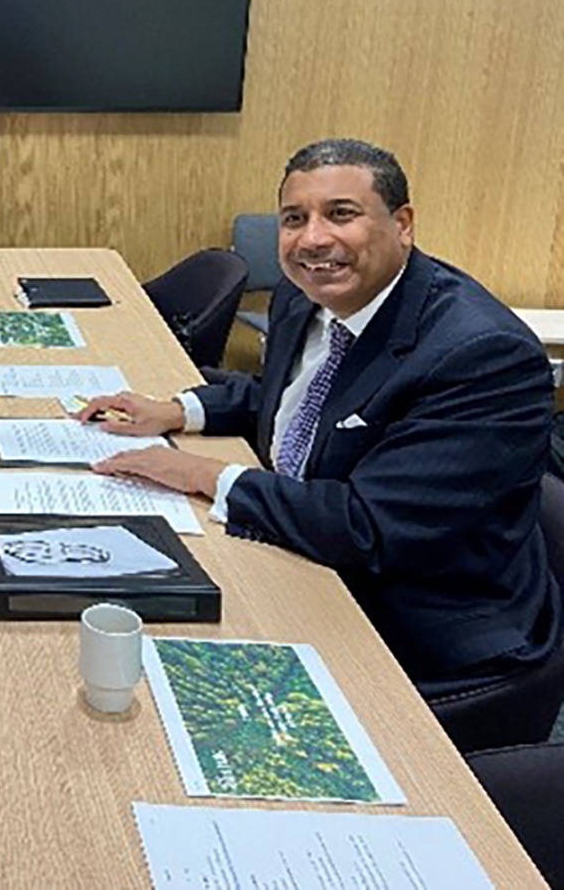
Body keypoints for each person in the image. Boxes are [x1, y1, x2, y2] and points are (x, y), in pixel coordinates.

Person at [77, 138, 559, 694]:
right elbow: (300, 399)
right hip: (313, 560)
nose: (312, 239)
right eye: (294, 219)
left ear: (402, 224)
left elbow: (368, 527)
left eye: (341, 215)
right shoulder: (304, 294)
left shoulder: (482, 356)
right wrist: (178, 411)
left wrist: (205, 475)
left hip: (415, 629)